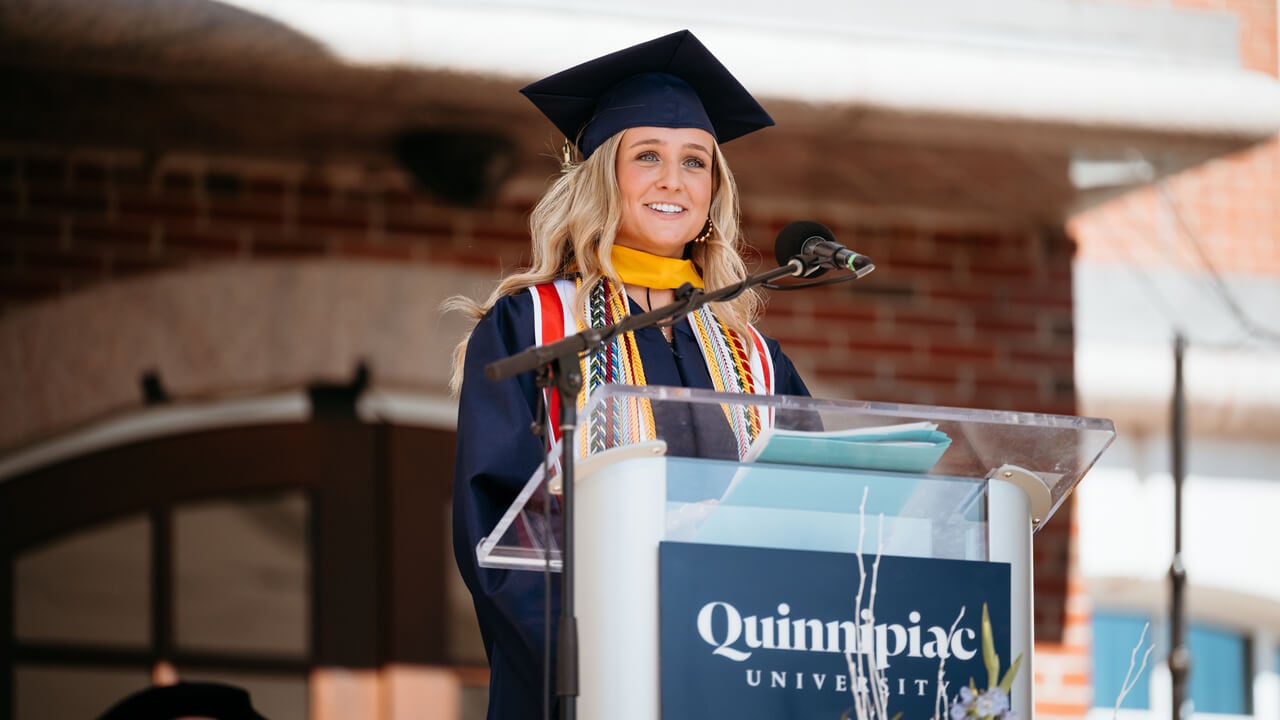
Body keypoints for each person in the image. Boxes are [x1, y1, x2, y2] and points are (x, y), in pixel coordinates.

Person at [447, 30, 812, 717]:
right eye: (647, 156)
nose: (674, 180)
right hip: (594, 680)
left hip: (740, 677)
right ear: (602, 177)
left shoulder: (757, 360)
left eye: (695, 162)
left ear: (714, 190)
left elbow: (813, 519)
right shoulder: (535, 328)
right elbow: (496, 531)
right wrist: (602, 665)